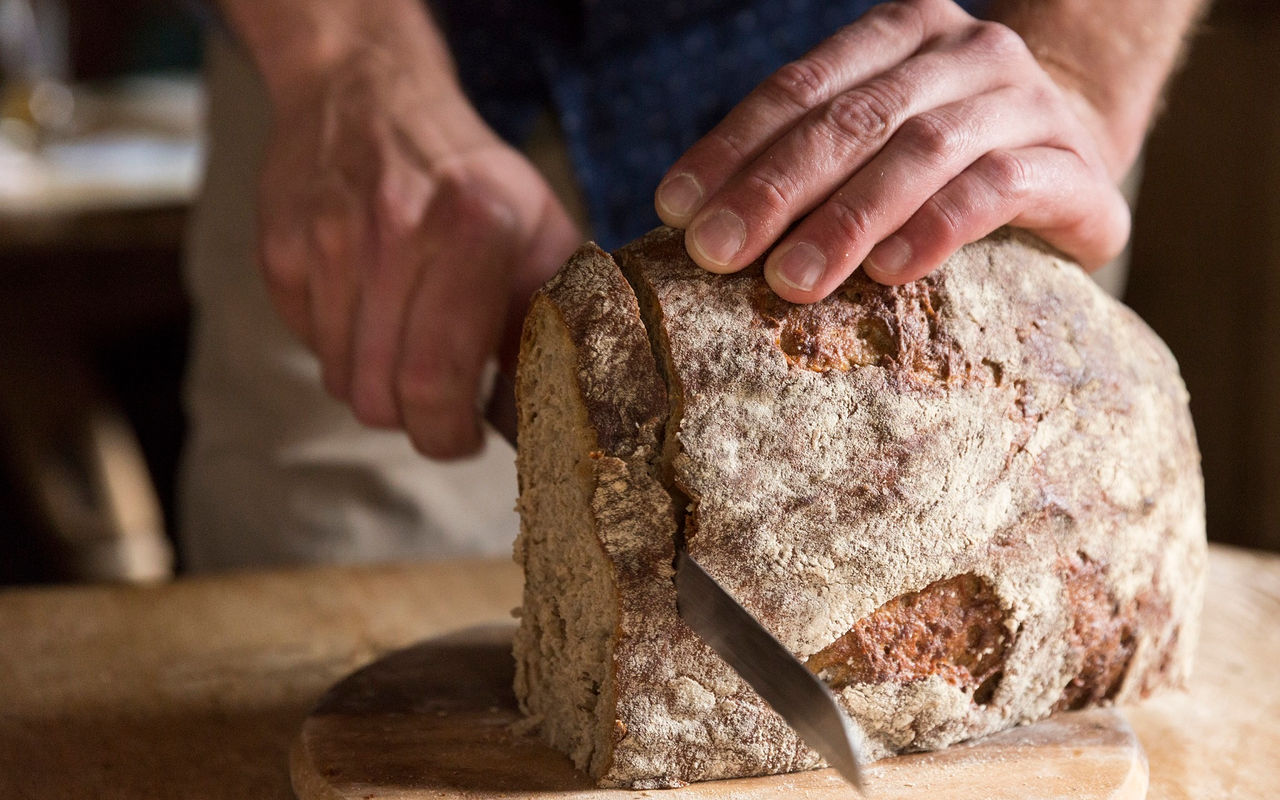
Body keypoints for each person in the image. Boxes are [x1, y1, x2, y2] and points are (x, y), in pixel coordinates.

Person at [181, 0, 1205, 571]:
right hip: (389, 123)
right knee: (318, 657)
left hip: (931, 135)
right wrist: (338, 53)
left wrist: (1076, 71)